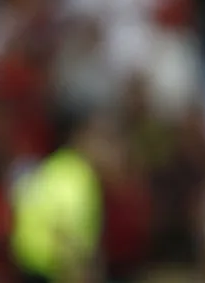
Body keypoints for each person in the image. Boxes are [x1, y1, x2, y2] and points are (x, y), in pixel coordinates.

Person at [11, 110, 123, 283]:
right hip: (50, 271)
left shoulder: (58, 166)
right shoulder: (76, 178)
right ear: (83, 138)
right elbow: (64, 234)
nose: (112, 152)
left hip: (28, 266)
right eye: (105, 142)